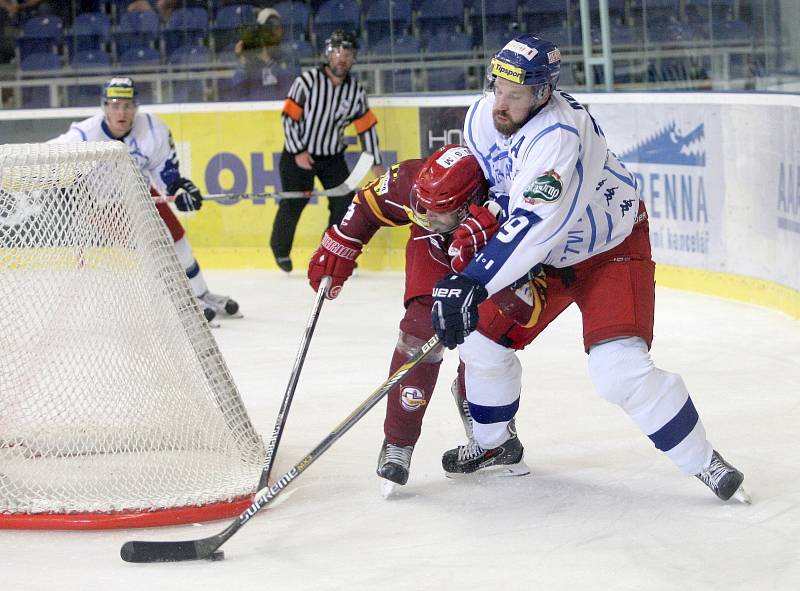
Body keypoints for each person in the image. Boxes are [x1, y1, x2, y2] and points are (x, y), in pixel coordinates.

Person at [429, 34, 748, 502]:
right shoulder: (482, 116)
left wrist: (473, 279)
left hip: (609, 250)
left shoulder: (559, 134)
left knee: (617, 371)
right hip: (546, 258)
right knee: (481, 343)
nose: (501, 102)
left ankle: (703, 461)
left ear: (542, 93)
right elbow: (497, 190)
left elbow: (533, 223)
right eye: (497, 87)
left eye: (515, 95)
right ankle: (493, 445)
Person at [307, 144, 547, 493]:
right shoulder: (411, 183)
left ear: (468, 207)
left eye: (438, 211)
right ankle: (398, 442)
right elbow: (366, 206)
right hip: (430, 249)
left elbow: (528, 303)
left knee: (483, 337)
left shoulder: (506, 207)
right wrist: (341, 243)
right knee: (419, 334)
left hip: (483, 253)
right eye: (421, 207)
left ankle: (485, 424)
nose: (425, 214)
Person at [48, 77, 241, 325]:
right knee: (156, 248)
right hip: (102, 203)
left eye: (128, 105)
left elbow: (164, 169)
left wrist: (177, 187)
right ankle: (179, 302)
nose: (122, 112)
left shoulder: (151, 127)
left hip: (140, 192)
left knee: (178, 238)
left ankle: (200, 293)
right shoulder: (83, 135)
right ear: (104, 107)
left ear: (136, 107)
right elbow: (47, 157)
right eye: (115, 105)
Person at [270, 29, 385, 273]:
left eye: (348, 53)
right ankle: (279, 249)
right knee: (294, 201)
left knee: (345, 203)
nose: (342, 57)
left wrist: (375, 161)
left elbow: (366, 127)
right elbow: (288, 118)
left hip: (331, 156)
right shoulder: (307, 82)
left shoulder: (355, 91)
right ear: (328, 54)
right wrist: (298, 151)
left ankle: (329, 252)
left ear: (354, 58)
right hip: (297, 153)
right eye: (337, 51)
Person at [226, 7, 298, 101]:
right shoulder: (250, 60)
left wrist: (269, 61)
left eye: (277, 26)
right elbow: (237, 92)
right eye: (269, 28)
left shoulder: (289, 56)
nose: (274, 31)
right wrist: (242, 62)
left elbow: (293, 88)